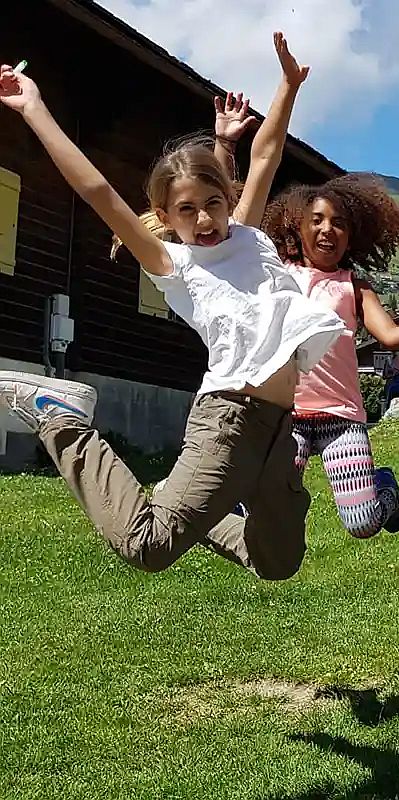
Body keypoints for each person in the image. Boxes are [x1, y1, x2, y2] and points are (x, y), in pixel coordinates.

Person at [0, 35, 344, 579]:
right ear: (166, 213)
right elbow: (96, 190)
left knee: (277, 562)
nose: (204, 220)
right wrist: (35, 109)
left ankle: (198, 513)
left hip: (281, 427)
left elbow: (268, 152)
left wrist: (288, 87)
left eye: (212, 204)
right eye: (187, 210)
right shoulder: (174, 266)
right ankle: (58, 419)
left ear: (228, 200)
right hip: (228, 421)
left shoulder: (250, 236)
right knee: (148, 545)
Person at [262, 172, 399, 539]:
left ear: (351, 237)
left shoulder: (354, 287)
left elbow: (393, 337)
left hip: (341, 417)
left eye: (339, 224)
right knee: (268, 504)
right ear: (296, 228)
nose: (327, 230)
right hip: (289, 417)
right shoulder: (278, 276)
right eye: (316, 221)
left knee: (363, 524)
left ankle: (385, 486)